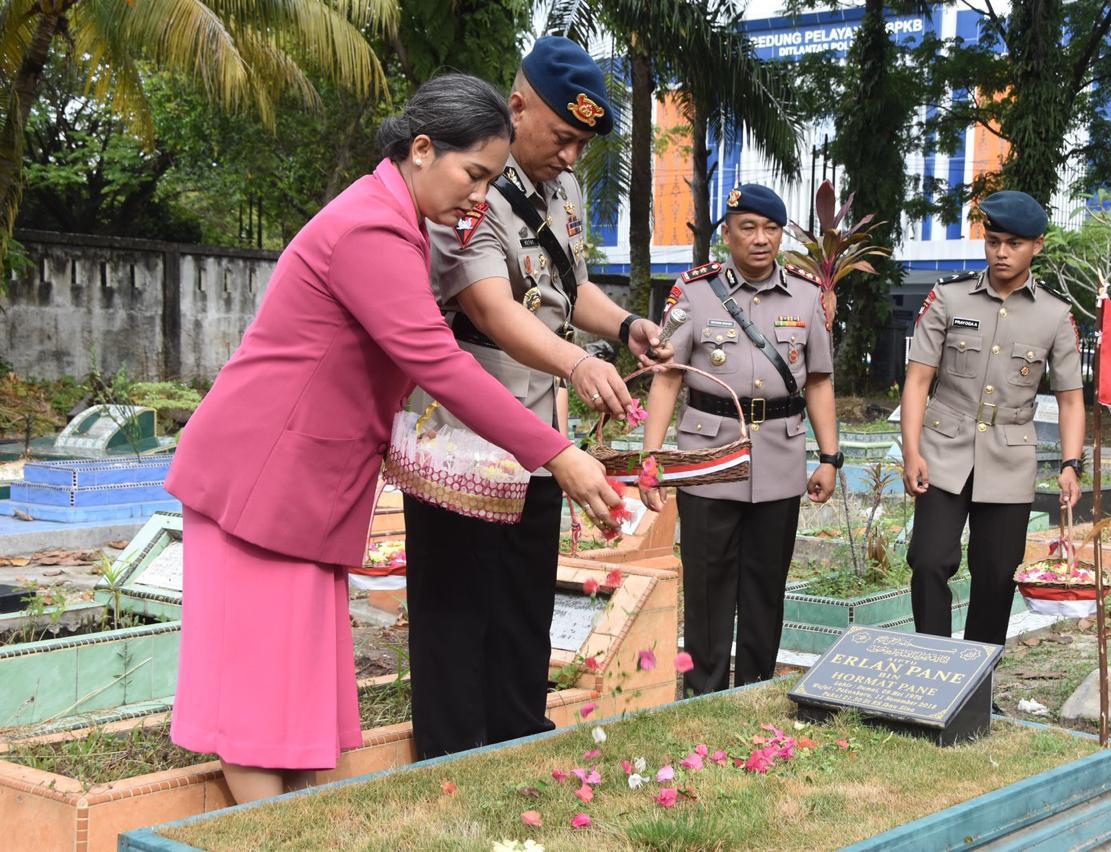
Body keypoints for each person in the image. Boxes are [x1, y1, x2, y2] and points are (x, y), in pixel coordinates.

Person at [163, 74, 622, 804]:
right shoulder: (371, 229)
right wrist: (557, 452)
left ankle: (301, 822)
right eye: (473, 175)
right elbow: (437, 362)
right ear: (419, 150)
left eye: (491, 180)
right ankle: (276, 832)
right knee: (258, 700)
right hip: (261, 477)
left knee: (300, 691)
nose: (480, 196)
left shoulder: (402, 220)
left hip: (305, 484)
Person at [403, 37, 671, 760]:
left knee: (523, 597)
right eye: (562, 137)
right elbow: (491, 307)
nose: (571, 157)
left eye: (582, 144)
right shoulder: (471, 187)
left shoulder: (563, 192)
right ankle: (450, 756)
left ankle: (518, 738)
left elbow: (562, 289)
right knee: (457, 604)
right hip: (463, 428)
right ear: (517, 106)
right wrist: (580, 363)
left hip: (535, 431)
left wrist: (627, 326)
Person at [638, 184, 840, 695]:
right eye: (747, 228)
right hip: (708, 459)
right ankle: (702, 696)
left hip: (779, 459)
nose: (760, 239)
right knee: (706, 588)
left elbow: (818, 379)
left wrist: (830, 457)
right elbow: (667, 376)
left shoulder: (805, 293)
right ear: (726, 234)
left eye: (771, 228)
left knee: (765, 588)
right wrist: (651, 455)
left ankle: (754, 691)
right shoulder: (694, 292)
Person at [901, 190, 1085, 651]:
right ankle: (933, 668)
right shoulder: (948, 296)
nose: (1001, 252)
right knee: (928, 561)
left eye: (1014, 243)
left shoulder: (1055, 314)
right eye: (993, 241)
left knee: (997, 574)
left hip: (1010, 457)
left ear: (1037, 246)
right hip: (943, 450)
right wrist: (911, 452)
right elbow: (918, 380)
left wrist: (1070, 464)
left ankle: (976, 684)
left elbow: (1070, 400)